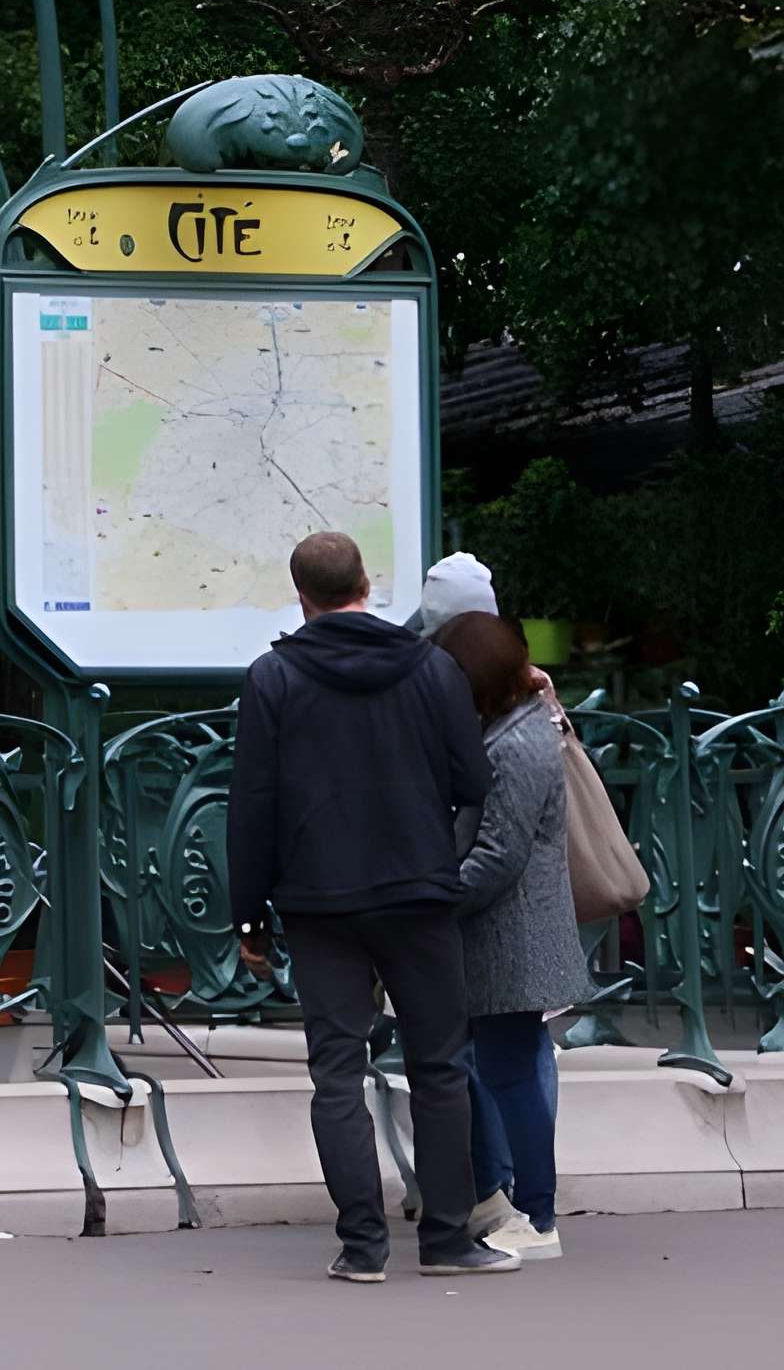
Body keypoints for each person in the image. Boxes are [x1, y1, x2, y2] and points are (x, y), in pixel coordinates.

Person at [228, 531, 515, 1282]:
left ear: (302, 597)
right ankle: (449, 1239)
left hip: (319, 903)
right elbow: (475, 781)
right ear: (367, 582)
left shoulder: (272, 678)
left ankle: (362, 1247)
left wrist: (250, 916)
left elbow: (252, 806)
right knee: (439, 1068)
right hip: (419, 892)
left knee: (335, 1074)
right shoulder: (433, 669)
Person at [438, 609, 589, 1263]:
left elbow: (498, 857)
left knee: (509, 1075)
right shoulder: (517, 728)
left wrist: (435, 901)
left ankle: (535, 1214)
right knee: (506, 1072)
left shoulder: (518, 744)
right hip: (512, 937)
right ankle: (517, 1203)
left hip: (513, 940)